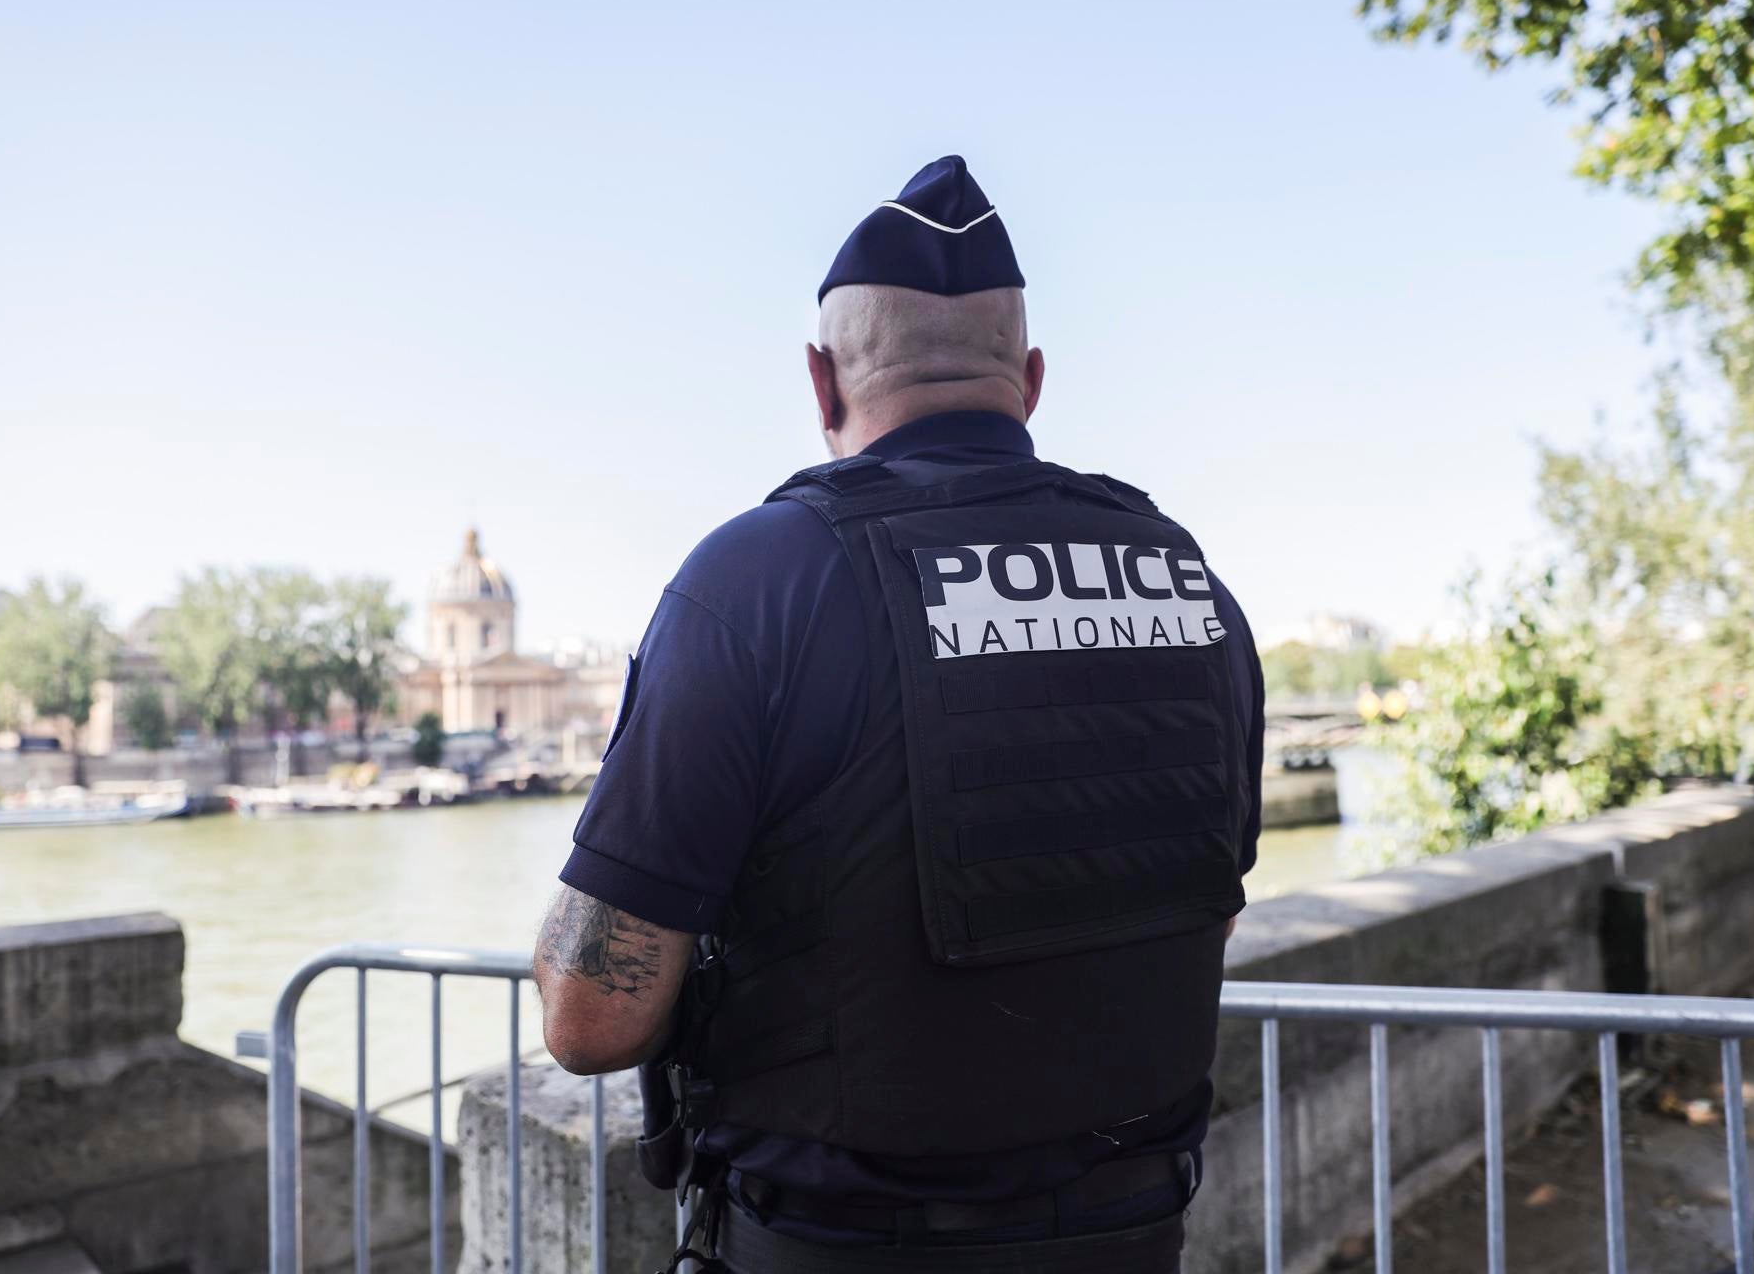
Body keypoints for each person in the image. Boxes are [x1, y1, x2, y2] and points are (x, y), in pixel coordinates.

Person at [534, 155, 1264, 1274]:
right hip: (1132, 1235)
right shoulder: (1189, 587)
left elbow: (593, 1017)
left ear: (822, 384)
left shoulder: (757, 581)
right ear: (1028, 376)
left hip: (837, 1242)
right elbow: (1200, 909)